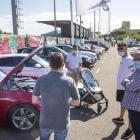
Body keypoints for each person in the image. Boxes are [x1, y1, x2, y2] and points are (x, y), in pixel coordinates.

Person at [32, 52, 80, 140]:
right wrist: (67, 100)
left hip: (45, 122)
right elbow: (76, 103)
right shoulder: (70, 81)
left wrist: (45, 99)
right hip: (62, 123)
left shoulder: (41, 79)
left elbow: (34, 100)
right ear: (63, 65)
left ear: (50, 65)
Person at [112, 41, 135, 139]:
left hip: (125, 87)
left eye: (122, 48)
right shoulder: (124, 58)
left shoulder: (129, 59)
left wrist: (128, 82)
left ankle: (130, 129)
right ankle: (121, 118)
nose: (120, 50)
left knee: (130, 108)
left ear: (126, 48)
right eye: (119, 49)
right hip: (121, 87)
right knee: (123, 103)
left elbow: (134, 72)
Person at [121, 52, 140, 140]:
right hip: (133, 108)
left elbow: (130, 86)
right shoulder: (137, 71)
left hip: (137, 110)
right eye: (134, 60)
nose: (134, 61)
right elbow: (127, 79)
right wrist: (128, 83)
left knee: (138, 131)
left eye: (137, 60)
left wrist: (127, 84)